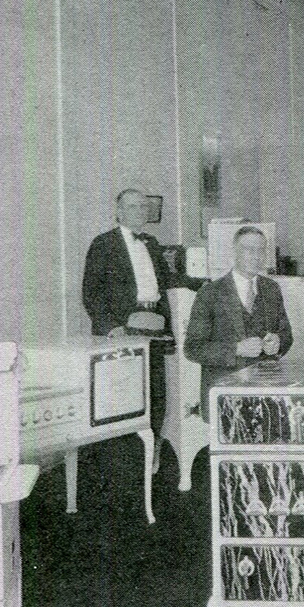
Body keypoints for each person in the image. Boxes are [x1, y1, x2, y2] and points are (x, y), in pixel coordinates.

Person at [82, 188, 174, 449]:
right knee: (123, 394)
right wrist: (110, 327)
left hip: (153, 324)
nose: (140, 212)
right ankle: (123, 458)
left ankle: (152, 449)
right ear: (119, 212)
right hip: (122, 329)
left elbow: (166, 280)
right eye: (133, 207)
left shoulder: (152, 243)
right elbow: (91, 292)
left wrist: (204, 282)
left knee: (156, 392)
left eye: (143, 207)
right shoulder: (103, 244)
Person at [185, 225, 292, 419]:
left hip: (265, 394)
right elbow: (192, 348)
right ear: (234, 252)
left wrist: (278, 342)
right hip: (225, 396)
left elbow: (286, 335)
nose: (256, 255)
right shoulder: (209, 293)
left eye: (261, 250)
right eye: (248, 249)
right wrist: (235, 349)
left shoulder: (272, 289)